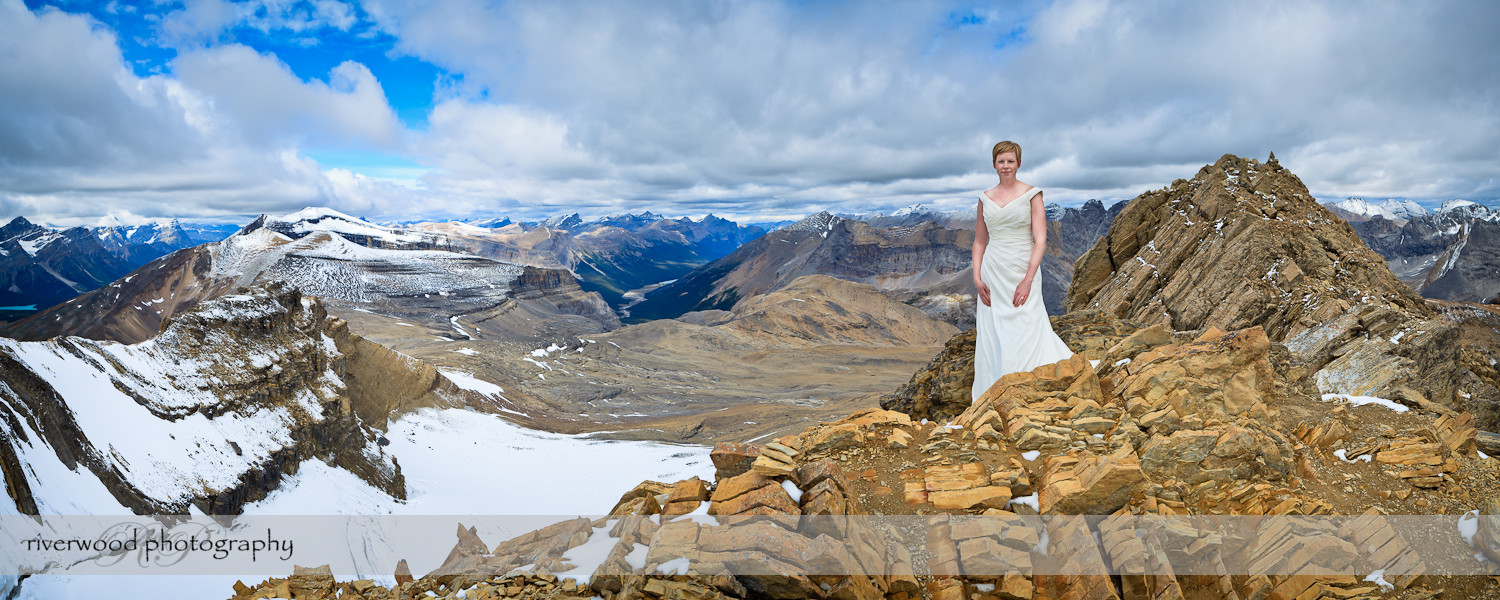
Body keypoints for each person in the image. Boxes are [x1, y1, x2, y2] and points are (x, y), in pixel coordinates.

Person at [971, 140, 1075, 402]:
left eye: (1011, 161)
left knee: (1025, 322)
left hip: (1021, 268)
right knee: (994, 329)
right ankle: (994, 389)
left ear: (1018, 163)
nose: (1006, 166)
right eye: (1001, 161)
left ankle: (1026, 384)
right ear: (994, 164)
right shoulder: (985, 198)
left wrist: (1028, 280)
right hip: (993, 269)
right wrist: (976, 277)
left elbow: (1040, 241)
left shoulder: (1033, 194)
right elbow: (980, 241)